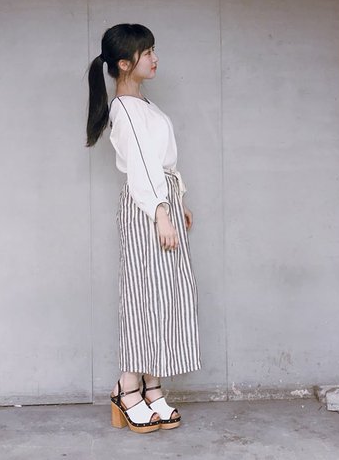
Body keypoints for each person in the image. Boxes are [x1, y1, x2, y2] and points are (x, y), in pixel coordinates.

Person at [86, 23, 201, 434]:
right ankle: (128, 386)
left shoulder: (144, 105)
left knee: (164, 293)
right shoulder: (126, 108)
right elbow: (140, 168)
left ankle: (152, 384)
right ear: (124, 63)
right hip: (146, 208)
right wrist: (160, 211)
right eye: (146, 52)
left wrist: (177, 200)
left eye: (153, 50)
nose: (154, 58)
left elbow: (161, 163)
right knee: (142, 294)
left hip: (160, 201)